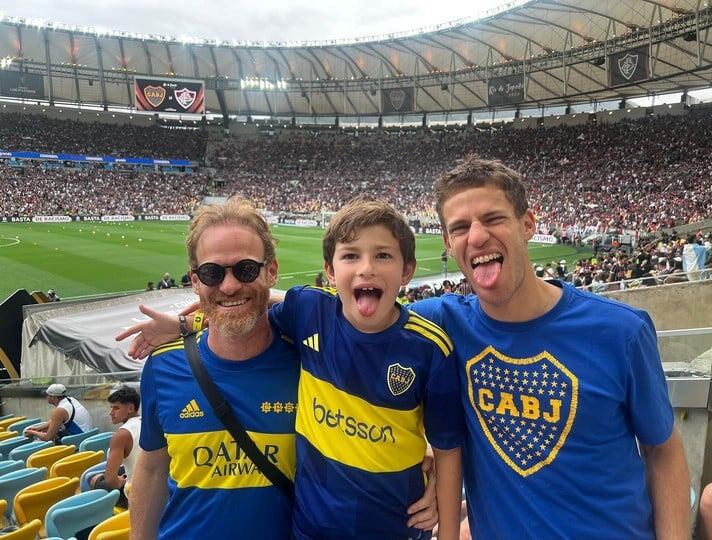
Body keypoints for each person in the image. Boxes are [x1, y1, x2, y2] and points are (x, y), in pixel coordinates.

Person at [124, 197, 438, 540]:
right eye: (212, 273)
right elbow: (152, 471)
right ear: (195, 281)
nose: (229, 286)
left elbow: (384, 417)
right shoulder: (163, 365)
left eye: (245, 269)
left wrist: (429, 472)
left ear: (271, 271)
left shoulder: (312, 360)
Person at [409, 156, 689, 538]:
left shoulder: (621, 330)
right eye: (460, 227)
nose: (476, 237)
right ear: (447, 242)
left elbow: (662, 449)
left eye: (493, 219)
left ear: (527, 224)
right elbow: (355, 327)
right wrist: (412, 457)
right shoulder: (441, 323)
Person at [269, 198, 463, 539]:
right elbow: (250, 319)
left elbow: (447, 452)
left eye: (383, 255)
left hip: (395, 528)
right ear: (330, 270)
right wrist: (189, 323)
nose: (367, 268)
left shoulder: (430, 348)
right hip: (311, 528)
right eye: (351, 255)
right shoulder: (308, 309)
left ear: (407, 271)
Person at [88, 386, 141, 509]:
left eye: (116, 408)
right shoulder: (148, 423)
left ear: (131, 408)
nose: (111, 412)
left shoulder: (121, 435)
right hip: (155, 485)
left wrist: (122, 481)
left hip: (135, 492)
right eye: (111, 407)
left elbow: (111, 480)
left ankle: (99, 518)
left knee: (92, 478)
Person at [25, 383, 95, 443]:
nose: (46, 397)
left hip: (79, 440)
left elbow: (47, 438)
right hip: (88, 436)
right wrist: (37, 428)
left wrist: (33, 432)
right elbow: (55, 421)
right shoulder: (71, 400)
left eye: (47, 395)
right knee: (48, 431)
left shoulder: (60, 410)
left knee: (44, 439)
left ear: (54, 398)